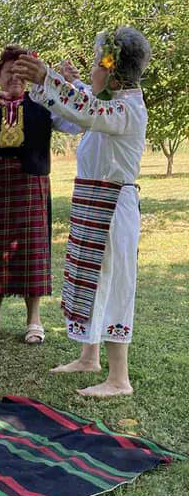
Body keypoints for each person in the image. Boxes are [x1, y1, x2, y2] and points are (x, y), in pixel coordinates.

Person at [14, 27, 151, 396]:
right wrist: (64, 84)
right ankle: (89, 356)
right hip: (94, 203)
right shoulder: (110, 100)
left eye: (97, 63)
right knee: (89, 281)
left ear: (112, 70)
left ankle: (119, 379)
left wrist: (49, 78)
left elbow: (90, 111)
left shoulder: (126, 109)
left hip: (112, 208)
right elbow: (83, 102)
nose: (91, 70)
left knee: (112, 283)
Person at [0, 46, 83, 344]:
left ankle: (34, 320)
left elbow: (77, 123)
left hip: (29, 180)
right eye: (8, 71)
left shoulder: (44, 101)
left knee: (31, 247)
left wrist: (69, 87)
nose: (15, 77)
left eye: (21, 71)